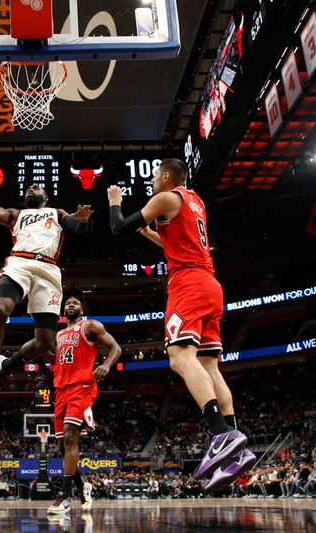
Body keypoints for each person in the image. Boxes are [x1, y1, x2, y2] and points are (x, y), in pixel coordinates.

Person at [107, 159, 252, 493]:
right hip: (209, 282)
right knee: (208, 365)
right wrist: (151, 235)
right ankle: (235, 454)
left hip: (187, 284)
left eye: (156, 176)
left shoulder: (166, 197)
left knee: (179, 357)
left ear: (167, 177)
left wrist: (115, 202)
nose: (153, 182)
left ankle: (220, 435)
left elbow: (118, 229)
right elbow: (180, 244)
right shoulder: (194, 200)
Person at [0, 170, 93, 414]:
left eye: (36, 187)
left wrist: (83, 220)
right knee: (1, 309)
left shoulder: (57, 213)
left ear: (45, 197)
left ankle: (6, 364)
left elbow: (77, 228)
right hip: (19, 264)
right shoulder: (15, 215)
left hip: (49, 271)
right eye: (28, 188)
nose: (31, 187)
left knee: (45, 342)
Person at [47, 296, 122, 515]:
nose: (70, 305)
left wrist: (106, 365)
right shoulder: (59, 334)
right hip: (61, 390)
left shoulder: (90, 326)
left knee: (71, 437)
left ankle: (64, 496)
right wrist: (42, 349)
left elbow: (116, 347)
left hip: (82, 387)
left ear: (81, 309)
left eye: (75, 303)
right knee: (62, 448)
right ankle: (82, 487)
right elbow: (57, 361)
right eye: (67, 303)